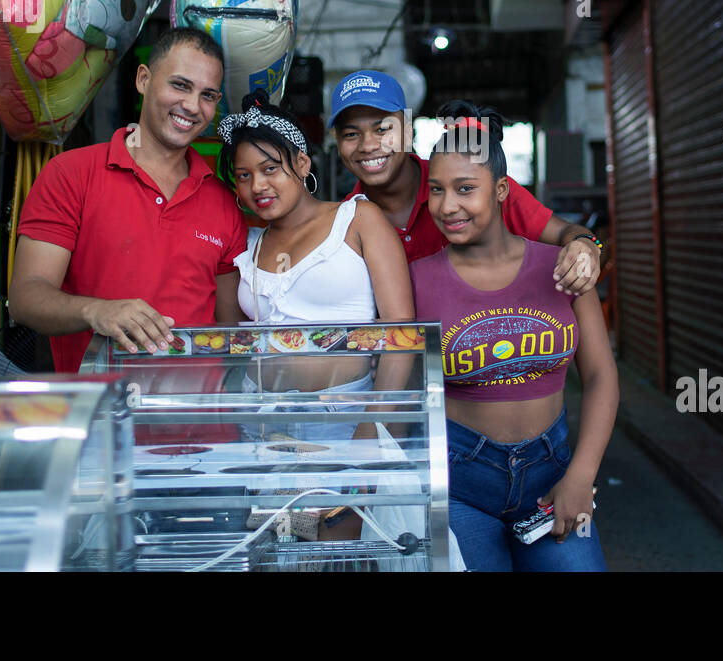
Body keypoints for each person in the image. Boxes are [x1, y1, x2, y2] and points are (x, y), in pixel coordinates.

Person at [410, 101, 619, 571]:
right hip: (459, 483)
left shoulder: (562, 267)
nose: (448, 206)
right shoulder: (414, 281)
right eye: (437, 190)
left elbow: (602, 375)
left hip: (553, 474)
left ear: (503, 190)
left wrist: (581, 476)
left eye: (466, 189)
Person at [9, 27, 246, 372]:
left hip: (197, 416)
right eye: (180, 85)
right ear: (143, 79)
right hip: (102, 414)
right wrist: (97, 311)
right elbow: (26, 297)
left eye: (208, 95)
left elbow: (230, 333)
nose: (193, 106)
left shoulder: (223, 200)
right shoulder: (71, 174)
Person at [220, 89, 414, 442]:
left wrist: (374, 427)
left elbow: (400, 333)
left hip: (342, 417)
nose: (257, 186)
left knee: (342, 501)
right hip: (260, 417)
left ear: (302, 164)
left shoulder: (357, 219)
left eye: (270, 169)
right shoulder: (250, 241)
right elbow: (229, 337)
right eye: (244, 175)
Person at [329, 70, 604, 295]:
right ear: (338, 143)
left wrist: (587, 247)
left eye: (382, 129)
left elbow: (566, 232)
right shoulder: (342, 224)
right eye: (351, 134)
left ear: (409, 129)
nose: (368, 145)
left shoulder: (476, 185)